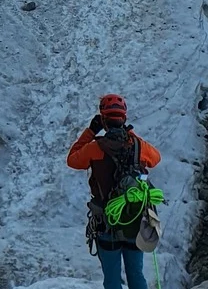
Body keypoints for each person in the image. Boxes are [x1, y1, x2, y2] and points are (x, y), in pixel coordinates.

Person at [67, 94, 161, 289]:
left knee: (111, 280)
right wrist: (131, 136)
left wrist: (91, 131)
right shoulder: (138, 146)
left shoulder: (95, 148)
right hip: (134, 221)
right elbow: (156, 158)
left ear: (103, 120)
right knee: (136, 274)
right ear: (124, 119)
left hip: (106, 223)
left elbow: (73, 159)